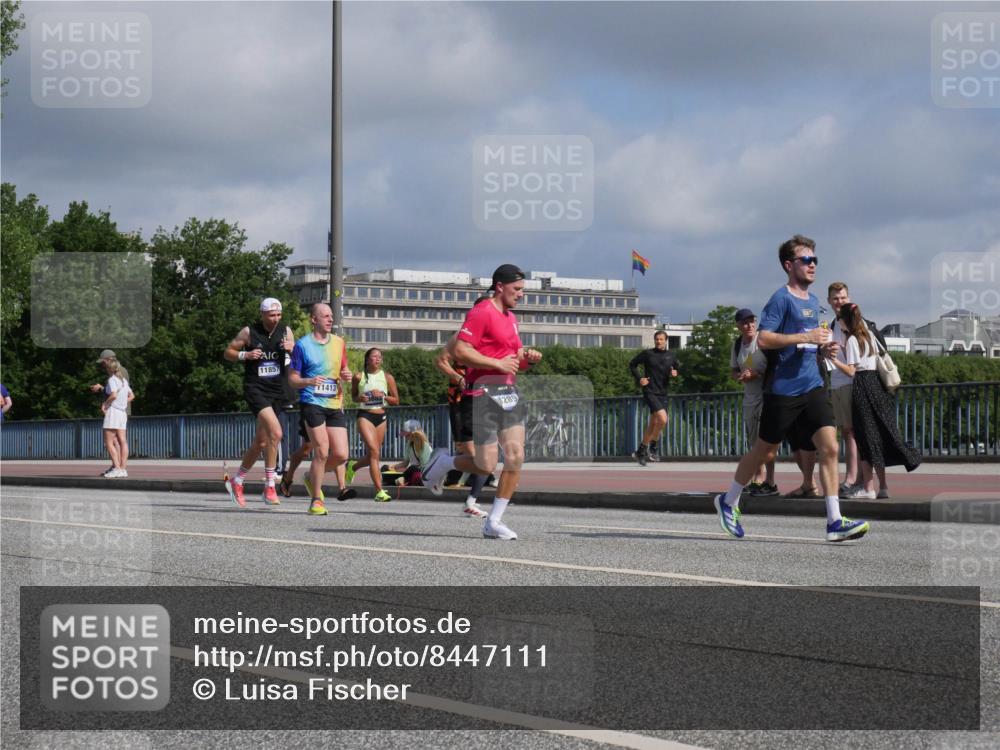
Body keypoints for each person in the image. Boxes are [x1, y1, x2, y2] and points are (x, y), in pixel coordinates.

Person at [712, 235, 870, 542]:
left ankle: (835, 521)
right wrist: (805, 338)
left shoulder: (813, 301)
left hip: (812, 384)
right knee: (764, 451)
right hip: (783, 390)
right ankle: (728, 500)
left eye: (815, 260)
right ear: (789, 265)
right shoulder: (780, 299)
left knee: (830, 447)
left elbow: (810, 341)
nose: (812, 265)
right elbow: (765, 338)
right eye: (805, 260)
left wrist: (824, 350)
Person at [422, 264, 543, 541]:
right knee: (486, 465)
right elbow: (461, 350)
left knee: (516, 456)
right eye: (517, 289)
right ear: (500, 286)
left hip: (508, 393)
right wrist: (495, 363)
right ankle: (444, 462)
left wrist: (528, 359)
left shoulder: (511, 318)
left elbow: (514, 361)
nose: (521, 294)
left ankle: (494, 521)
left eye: (522, 289)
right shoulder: (481, 312)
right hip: (482, 394)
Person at [838, 302, 921, 498]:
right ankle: (883, 486)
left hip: (862, 386)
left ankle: (868, 489)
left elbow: (851, 370)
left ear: (845, 320)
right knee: (880, 434)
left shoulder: (851, 340)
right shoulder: (869, 336)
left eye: (840, 318)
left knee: (866, 438)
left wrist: (832, 359)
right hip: (876, 385)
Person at [223, 297, 295, 508]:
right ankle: (270, 486)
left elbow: (298, 355)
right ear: (262, 314)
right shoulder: (249, 332)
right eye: (271, 315)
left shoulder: (286, 330)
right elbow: (228, 353)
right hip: (256, 389)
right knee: (277, 433)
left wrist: (294, 347)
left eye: (278, 315)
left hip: (277, 390)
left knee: (262, 442)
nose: (275, 319)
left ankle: (237, 481)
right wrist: (245, 354)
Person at [287, 302, 355, 515]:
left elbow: (344, 369)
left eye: (331, 316)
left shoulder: (339, 343)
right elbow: (292, 379)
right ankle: (316, 500)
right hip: (312, 402)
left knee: (342, 455)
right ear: (313, 319)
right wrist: (308, 381)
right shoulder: (302, 345)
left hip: (334, 403)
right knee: (322, 451)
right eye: (325, 316)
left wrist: (347, 375)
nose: (330, 319)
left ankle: (310, 476)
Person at [827, 282, 891, 499]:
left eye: (842, 298)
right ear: (829, 301)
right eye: (836, 298)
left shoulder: (854, 328)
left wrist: (832, 358)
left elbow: (853, 369)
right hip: (846, 383)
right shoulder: (835, 326)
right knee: (853, 432)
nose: (839, 302)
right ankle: (871, 483)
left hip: (854, 384)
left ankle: (859, 481)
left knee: (858, 433)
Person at [434, 342, 490, 517]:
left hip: (483, 403)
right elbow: (440, 360)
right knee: (476, 457)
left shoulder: (492, 339)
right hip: (460, 403)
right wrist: (457, 377)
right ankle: (441, 467)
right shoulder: (462, 339)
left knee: (484, 459)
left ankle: (469, 499)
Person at [729, 309, 777, 496]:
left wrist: (756, 373)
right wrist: (740, 376)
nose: (749, 326)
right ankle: (758, 476)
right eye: (745, 323)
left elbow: (774, 366)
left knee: (768, 438)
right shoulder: (737, 345)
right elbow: (733, 370)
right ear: (738, 326)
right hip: (750, 397)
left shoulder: (763, 341)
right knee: (753, 439)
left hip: (767, 394)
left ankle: (770, 479)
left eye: (752, 322)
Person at [350, 348, 400, 503]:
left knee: (375, 454)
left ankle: (352, 467)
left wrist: (384, 396)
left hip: (381, 417)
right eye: (374, 356)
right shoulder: (358, 377)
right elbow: (353, 397)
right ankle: (379, 491)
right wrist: (361, 398)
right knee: (373, 451)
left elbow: (396, 400)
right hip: (365, 416)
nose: (377, 359)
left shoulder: (387, 377)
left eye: (380, 357)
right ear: (367, 359)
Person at [278, 412, 356, 503]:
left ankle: (342, 488)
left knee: (337, 452)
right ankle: (288, 479)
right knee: (306, 450)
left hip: (332, 409)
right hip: (314, 408)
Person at [628, 330, 679, 465]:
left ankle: (641, 451)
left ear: (666, 340)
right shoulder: (648, 354)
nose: (658, 341)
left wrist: (675, 372)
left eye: (661, 339)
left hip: (663, 392)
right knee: (663, 419)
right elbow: (632, 364)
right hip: (650, 391)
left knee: (654, 423)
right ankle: (654, 446)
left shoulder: (671, 355)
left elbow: (677, 367)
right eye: (657, 339)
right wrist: (640, 379)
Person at [90, 350, 132, 475]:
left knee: (112, 441)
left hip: (116, 410)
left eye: (103, 362)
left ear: (108, 360)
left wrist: (106, 403)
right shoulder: (120, 373)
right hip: (122, 410)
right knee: (120, 440)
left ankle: (117, 467)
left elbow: (115, 393)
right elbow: (126, 392)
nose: (102, 365)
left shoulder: (116, 374)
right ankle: (120, 468)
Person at [391, 419, 433, 488]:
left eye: (407, 435)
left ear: (414, 434)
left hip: (425, 473)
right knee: (385, 469)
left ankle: (403, 479)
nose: (405, 437)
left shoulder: (425, 446)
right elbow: (405, 463)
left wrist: (407, 471)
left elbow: (425, 467)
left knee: (412, 468)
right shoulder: (409, 444)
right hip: (414, 472)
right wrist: (392, 467)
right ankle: (403, 479)